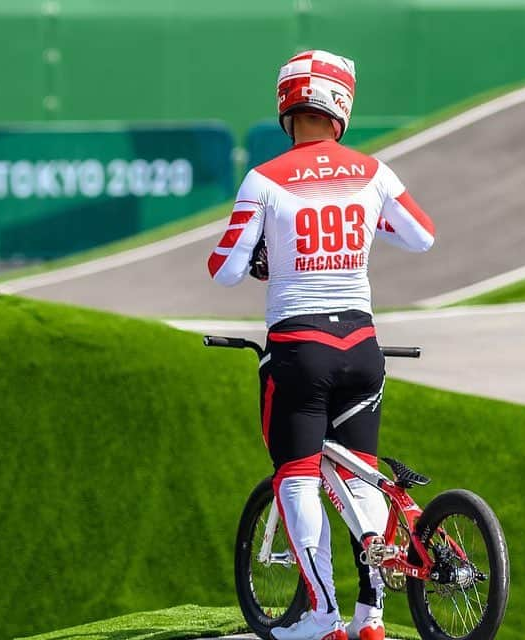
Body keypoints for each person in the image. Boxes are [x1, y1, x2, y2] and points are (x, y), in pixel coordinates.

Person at [207, 50, 435, 640]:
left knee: (298, 476)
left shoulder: (264, 179)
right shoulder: (373, 171)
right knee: (362, 479)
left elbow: (225, 270)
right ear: (341, 106)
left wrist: (266, 257)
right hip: (363, 345)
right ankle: (372, 616)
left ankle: (321, 616)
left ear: (288, 109)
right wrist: (360, 221)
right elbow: (422, 237)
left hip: (299, 349)